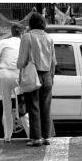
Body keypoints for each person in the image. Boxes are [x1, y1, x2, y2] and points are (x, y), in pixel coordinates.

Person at [17, 12, 56, 146]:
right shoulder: (49, 38)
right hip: (47, 75)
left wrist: (20, 68)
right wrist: (52, 76)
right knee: (46, 107)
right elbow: (53, 61)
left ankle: (36, 138)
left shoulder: (27, 37)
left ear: (31, 23)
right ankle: (47, 137)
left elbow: (21, 60)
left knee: (33, 106)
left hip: (33, 75)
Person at [0, 23, 29, 142]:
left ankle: (7, 136)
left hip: (3, 75)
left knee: (6, 108)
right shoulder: (24, 43)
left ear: (11, 32)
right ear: (22, 33)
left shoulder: (3, 42)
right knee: (22, 107)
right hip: (18, 75)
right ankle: (31, 134)